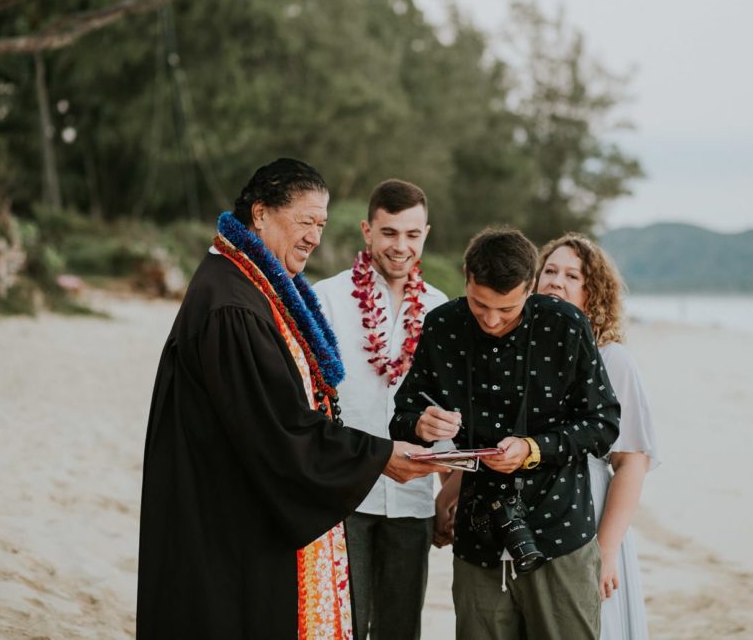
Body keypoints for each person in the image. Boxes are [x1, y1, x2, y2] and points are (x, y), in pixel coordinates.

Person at [136, 158, 443, 640]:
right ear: (260, 213)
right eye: (305, 222)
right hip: (224, 521)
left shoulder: (252, 283)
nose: (314, 237)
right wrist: (380, 456)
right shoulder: (232, 304)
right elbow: (277, 427)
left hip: (238, 506)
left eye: (321, 224)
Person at [390, 227, 621, 640]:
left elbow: (602, 425)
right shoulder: (442, 326)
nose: (492, 320)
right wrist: (421, 424)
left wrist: (534, 449)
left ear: (531, 287)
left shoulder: (567, 325)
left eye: (508, 309)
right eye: (480, 306)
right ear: (466, 277)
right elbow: (403, 414)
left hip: (559, 533)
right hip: (476, 541)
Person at [313, 179, 449, 639]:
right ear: (367, 231)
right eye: (389, 232)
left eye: (412, 234)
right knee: (341, 625)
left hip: (413, 499)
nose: (400, 246)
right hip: (344, 492)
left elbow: (446, 407)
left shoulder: (439, 309)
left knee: (400, 630)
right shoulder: (325, 299)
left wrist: (450, 490)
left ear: (425, 234)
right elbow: (312, 398)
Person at [537, 233, 661, 640]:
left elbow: (631, 462)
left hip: (590, 523)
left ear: (593, 294)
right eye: (550, 271)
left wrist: (605, 551)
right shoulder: (523, 355)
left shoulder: (612, 360)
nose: (556, 281)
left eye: (572, 275)